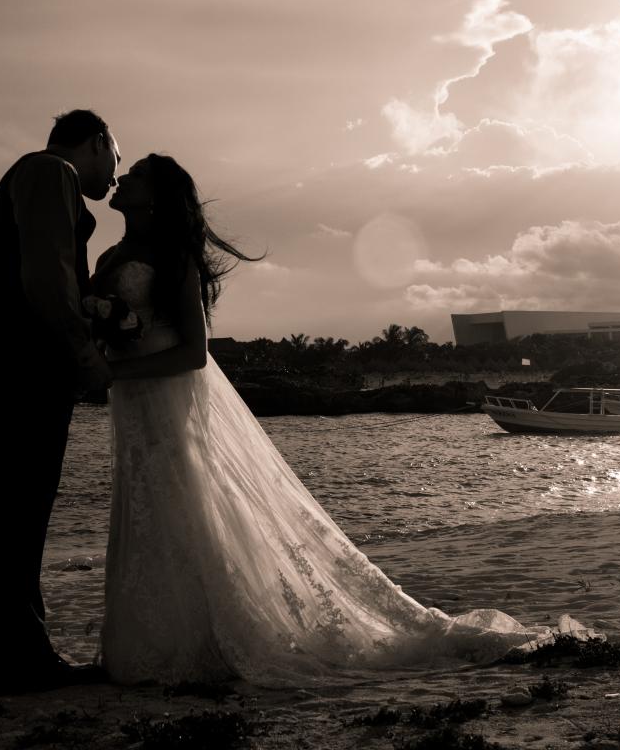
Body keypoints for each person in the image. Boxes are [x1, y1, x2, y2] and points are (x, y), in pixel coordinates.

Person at [95, 155, 593, 685]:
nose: (124, 178)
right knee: (145, 506)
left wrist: (107, 370)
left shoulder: (174, 260)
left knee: (185, 508)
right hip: (133, 405)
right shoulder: (109, 256)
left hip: (168, 400)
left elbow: (195, 353)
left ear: (157, 197)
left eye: (138, 174)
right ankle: (160, 640)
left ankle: (204, 641)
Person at [0, 109, 118, 691]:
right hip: (20, 363)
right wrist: (87, 359)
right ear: (99, 140)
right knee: (21, 506)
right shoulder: (51, 171)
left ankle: (20, 655)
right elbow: (48, 278)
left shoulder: (40, 176)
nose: (116, 174)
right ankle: (23, 661)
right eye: (117, 157)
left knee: (20, 505)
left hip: (11, 361)